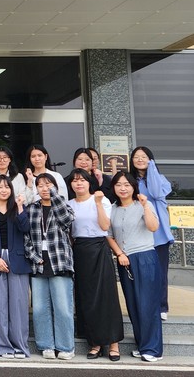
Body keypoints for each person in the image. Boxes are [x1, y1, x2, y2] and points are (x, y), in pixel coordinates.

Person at [106, 171, 163, 362]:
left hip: (145, 257)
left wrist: (145, 205)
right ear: (113, 188)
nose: (123, 188)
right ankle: (143, 344)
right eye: (118, 185)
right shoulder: (113, 208)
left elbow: (153, 227)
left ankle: (153, 349)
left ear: (133, 187)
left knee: (148, 304)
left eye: (127, 185)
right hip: (125, 260)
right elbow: (109, 236)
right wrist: (119, 254)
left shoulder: (143, 205)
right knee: (133, 304)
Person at [68, 168, 123, 361]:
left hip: (99, 248)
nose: (78, 183)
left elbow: (105, 226)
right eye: (75, 180)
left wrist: (98, 203)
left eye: (82, 180)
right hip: (79, 250)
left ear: (89, 182)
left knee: (106, 295)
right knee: (86, 297)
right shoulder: (69, 204)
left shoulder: (101, 200)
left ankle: (114, 343)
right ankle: (95, 343)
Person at [25, 173, 76, 360]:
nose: (45, 188)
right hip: (38, 262)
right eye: (40, 185)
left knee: (62, 307)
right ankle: (46, 344)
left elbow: (66, 220)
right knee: (40, 308)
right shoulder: (32, 209)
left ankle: (66, 347)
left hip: (59, 260)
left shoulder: (63, 205)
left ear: (55, 186)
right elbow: (25, 237)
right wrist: (34, 256)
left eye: (48, 184)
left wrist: (54, 195)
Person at [0, 175, 31, 358]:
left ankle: (20, 346)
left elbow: (25, 228)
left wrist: (20, 207)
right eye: (0, 187)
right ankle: (3, 346)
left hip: (17, 260)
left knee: (18, 304)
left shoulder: (17, 208)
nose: (4, 190)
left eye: (7, 187)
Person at [130, 146, 174, 321]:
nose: (140, 159)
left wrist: (152, 168)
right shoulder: (130, 181)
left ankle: (162, 306)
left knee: (160, 273)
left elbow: (155, 192)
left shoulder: (160, 179)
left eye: (144, 157)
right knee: (142, 274)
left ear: (151, 160)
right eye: (136, 157)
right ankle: (144, 306)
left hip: (158, 235)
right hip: (138, 233)